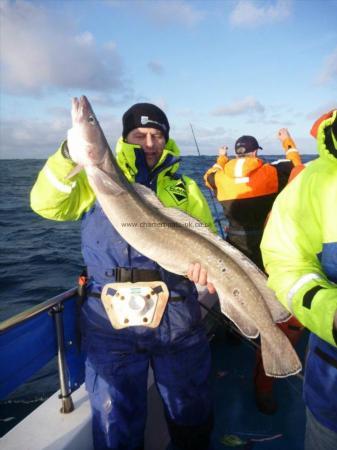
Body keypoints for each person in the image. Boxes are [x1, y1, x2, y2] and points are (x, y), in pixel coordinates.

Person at [30, 102, 216, 450]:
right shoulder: (92, 179)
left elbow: (207, 239)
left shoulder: (184, 187)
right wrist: (68, 155)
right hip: (108, 317)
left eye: (156, 134)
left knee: (190, 409)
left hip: (176, 312)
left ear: (166, 139)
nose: (149, 142)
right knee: (116, 421)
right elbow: (46, 205)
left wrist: (203, 269)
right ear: (123, 137)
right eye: (139, 134)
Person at [202, 131, 304, 414]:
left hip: (234, 247)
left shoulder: (219, 177)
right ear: (256, 153)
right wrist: (288, 143)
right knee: (272, 309)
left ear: (236, 153)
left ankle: (236, 332)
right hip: (267, 249)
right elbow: (298, 169)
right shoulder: (273, 172)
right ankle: (264, 383)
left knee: (236, 295)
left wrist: (220, 158)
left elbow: (208, 175)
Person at [260, 109, 337, 450]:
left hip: (251, 243)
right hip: (331, 391)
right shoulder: (306, 177)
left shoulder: (293, 174)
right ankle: (264, 388)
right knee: (282, 325)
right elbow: (284, 259)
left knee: (279, 325)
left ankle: (264, 390)